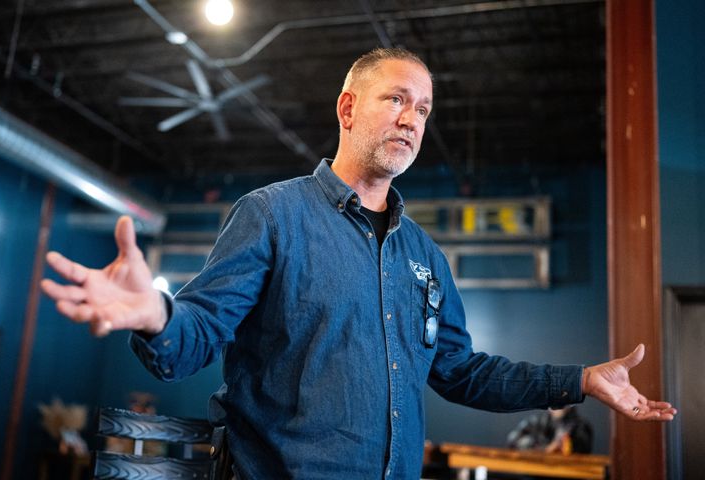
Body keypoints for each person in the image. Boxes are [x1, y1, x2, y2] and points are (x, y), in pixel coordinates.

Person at [41, 48, 676, 479]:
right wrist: (155, 313)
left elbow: (461, 372)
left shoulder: (424, 255)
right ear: (347, 110)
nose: (411, 119)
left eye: (423, 109)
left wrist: (582, 382)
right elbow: (194, 338)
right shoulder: (272, 215)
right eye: (396, 99)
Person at [506, 406, 593, 454]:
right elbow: (513, 440)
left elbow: (579, 452)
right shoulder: (538, 420)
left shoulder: (581, 426)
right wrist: (544, 449)